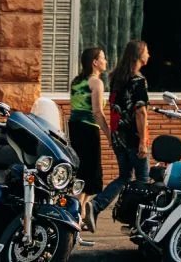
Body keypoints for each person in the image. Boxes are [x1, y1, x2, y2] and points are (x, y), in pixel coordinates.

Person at [92, 39, 150, 222]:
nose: (149, 55)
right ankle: (139, 220)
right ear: (139, 55)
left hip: (118, 137)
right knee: (142, 180)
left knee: (124, 176)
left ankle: (95, 205)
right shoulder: (138, 81)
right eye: (147, 52)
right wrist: (142, 141)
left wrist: (111, 136)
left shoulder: (117, 78)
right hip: (133, 138)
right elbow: (140, 112)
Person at [68, 47, 110, 232]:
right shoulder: (96, 83)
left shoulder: (77, 82)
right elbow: (97, 112)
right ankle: (75, 214)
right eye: (102, 58)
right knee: (90, 173)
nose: (105, 61)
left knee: (82, 171)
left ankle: (82, 213)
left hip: (75, 128)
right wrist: (109, 135)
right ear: (95, 62)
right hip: (88, 130)